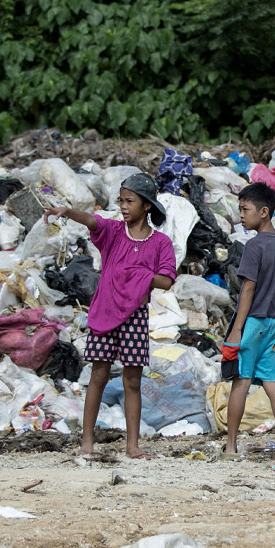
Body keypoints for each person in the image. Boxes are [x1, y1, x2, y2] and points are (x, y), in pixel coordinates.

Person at [45, 173, 175, 459]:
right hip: (105, 312)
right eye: (121, 201)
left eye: (130, 201)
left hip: (135, 317)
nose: (123, 207)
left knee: (132, 382)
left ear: (148, 206)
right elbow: (92, 221)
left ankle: (132, 446)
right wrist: (66, 212)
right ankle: (87, 442)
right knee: (98, 376)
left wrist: (140, 275)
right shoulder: (114, 232)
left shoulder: (160, 243)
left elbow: (166, 280)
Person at [219, 183, 275, 465]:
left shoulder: (253, 246)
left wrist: (237, 329)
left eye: (245, 209)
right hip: (273, 323)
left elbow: (248, 290)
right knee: (274, 382)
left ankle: (230, 447)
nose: (241, 215)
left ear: (264, 212)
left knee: (241, 382)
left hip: (251, 323)